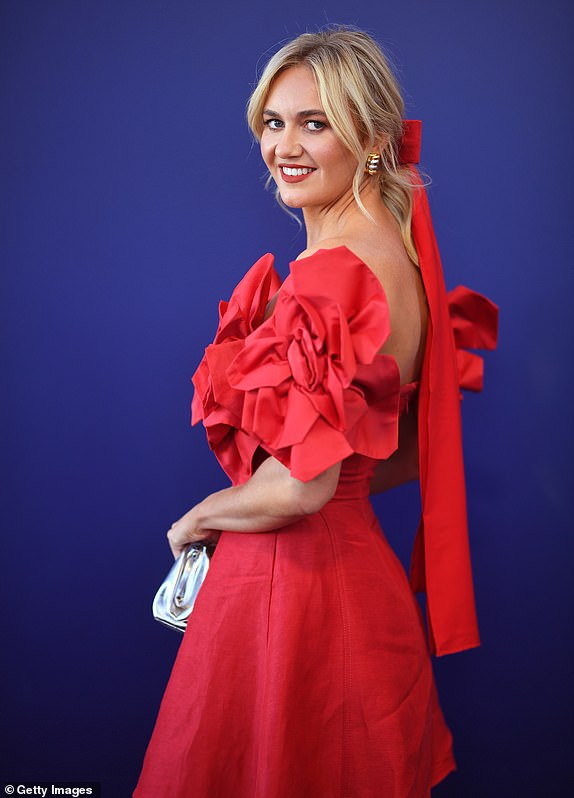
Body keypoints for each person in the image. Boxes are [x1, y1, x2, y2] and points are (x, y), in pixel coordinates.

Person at [134, 26, 498, 798]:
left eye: (315, 122)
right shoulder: (395, 259)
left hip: (290, 596)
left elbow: (303, 488)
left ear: (369, 140)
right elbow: (397, 450)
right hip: (353, 591)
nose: (285, 147)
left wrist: (201, 516)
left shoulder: (335, 273)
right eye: (273, 121)